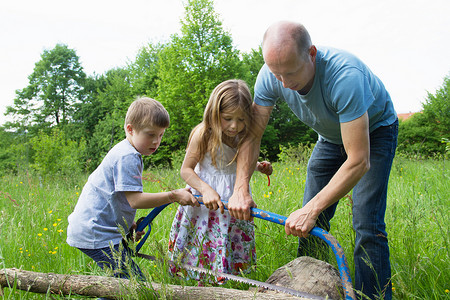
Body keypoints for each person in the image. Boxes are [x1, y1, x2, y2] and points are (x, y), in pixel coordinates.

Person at [227, 21, 398, 300]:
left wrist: (312, 208)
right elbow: (253, 136)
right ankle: (305, 290)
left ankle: (374, 296)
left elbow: (358, 160)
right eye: (276, 73)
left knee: (366, 221)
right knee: (309, 222)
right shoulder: (270, 74)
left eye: (291, 72)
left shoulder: (345, 76)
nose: (284, 83)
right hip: (329, 139)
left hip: (375, 133)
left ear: (312, 54)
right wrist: (240, 188)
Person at [67, 97, 199, 280]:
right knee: (135, 285)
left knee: (123, 287)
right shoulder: (127, 156)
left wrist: (127, 227)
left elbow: (118, 199)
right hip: (96, 233)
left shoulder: (128, 152)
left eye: (160, 135)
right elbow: (135, 200)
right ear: (130, 129)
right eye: (150, 134)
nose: (156, 141)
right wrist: (174, 195)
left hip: (100, 231)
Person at [168, 79, 272, 283]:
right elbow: (186, 170)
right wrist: (205, 190)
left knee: (228, 240)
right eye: (228, 118)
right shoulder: (203, 134)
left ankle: (229, 281)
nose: (235, 126)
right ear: (214, 113)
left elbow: (239, 161)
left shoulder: (242, 135)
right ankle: (196, 281)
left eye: (241, 120)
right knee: (202, 240)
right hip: (204, 201)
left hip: (233, 199)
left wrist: (258, 166)